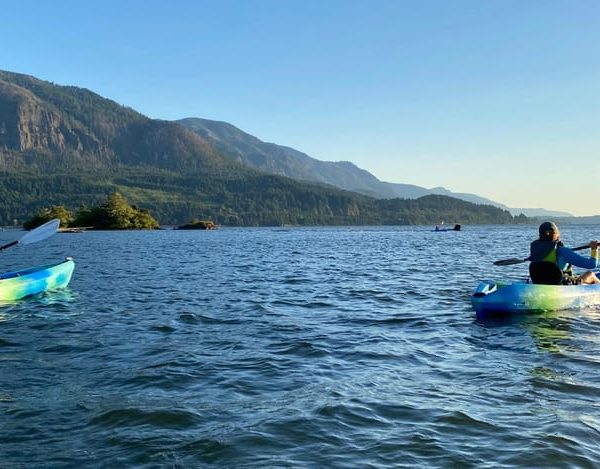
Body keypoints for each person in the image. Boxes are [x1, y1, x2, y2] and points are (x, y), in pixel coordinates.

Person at [529, 221, 600, 285]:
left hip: (539, 282)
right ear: (556, 234)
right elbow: (592, 264)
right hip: (562, 284)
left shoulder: (535, 251)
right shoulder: (563, 251)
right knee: (590, 274)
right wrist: (594, 249)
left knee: (577, 276)